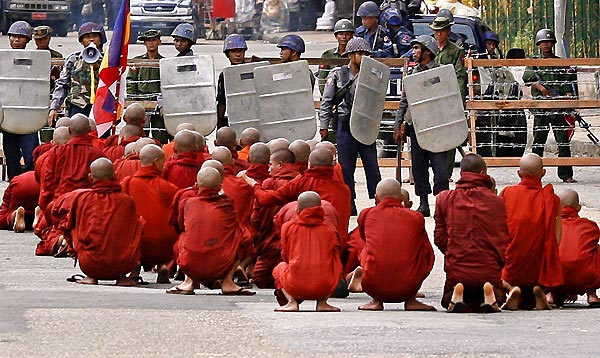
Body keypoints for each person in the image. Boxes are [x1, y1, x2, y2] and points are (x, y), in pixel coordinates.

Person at [434, 154, 509, 313]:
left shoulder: (444, 198)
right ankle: (489, 292)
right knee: (501, 297)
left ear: (461, 173)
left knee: (446, 300)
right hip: (488, 269)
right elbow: (502, 239)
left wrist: (453, 252)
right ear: (483, 173)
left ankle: (457, 292)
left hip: (458, 268)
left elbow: (439, 238)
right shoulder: (497, 202)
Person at [346, 179, 435, 311]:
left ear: (376, 197)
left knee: (369, 249)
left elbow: (365, 238)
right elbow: (428, 254)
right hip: (409, 286)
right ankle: (411, 300)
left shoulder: (366, 214)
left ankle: (376, 300)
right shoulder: (416, 217)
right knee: (423, 250)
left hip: (374, 286)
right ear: (402, 198)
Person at [168, 167, 255, 295]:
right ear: (220, 187)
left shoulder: (187, 203)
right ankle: (228, 282)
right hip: (222, 262)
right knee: (243, 235)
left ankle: (189, 282)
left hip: (190, 262)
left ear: (197, 185)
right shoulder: (227, 204)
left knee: (184, 238)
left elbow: (180, 226)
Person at [320, 37, 381, 215]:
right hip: (345, 125)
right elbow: (327, 102)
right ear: (351, 55)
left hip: (366, 126)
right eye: (360, 53)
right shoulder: (338, 75)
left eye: (366, 54)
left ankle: (379, 200)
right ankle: (350, 201)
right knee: (346, 169)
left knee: (372, 167)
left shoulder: (372, 75)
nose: (363, 57)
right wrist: (324, 125)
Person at [242, 148, 351, 249]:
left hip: (308, 243)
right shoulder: (344, 189)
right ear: (333, 165)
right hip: (338, 246)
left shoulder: (302, 181)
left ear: (309, 164)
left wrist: (254, 184)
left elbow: (265, 200)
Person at [61, 158, 143, 286]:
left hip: (90, 264)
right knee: (137, 226)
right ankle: (122, 277)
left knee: (75, 226)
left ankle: (91, 277)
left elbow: (68, 226)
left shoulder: (82, 199)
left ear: (90, 177)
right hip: (124, 264)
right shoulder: (127, 201)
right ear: (115, 175)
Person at [500, 153, 563, 310]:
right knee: (546, 264)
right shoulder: (552, 199)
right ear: (543, 173)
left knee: (493, 275)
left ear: (519, 173)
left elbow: (498, 230)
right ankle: (541, 290)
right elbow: (557, 236)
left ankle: (510, 288)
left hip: (510, 269)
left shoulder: (507, 193)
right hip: (539, 271)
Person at [394, 35, 447, 217]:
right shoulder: (411, 74)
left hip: (437, 127)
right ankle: (423, 202)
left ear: (427, 52)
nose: (414, 52)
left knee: (440, 170)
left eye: (417, 48)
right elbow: (404, 101)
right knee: (419, 166)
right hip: (416, 127)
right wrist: (398, 124)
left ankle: (441, 203)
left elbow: (447, 98)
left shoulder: (440, 73)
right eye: (414, 48)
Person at [523, 29, 577, 183]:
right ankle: (533, 174)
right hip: (541, 109)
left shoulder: (559, 62)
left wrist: (568, 99)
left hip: (558, 108)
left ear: (553, 43)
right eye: (542, 43)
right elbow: (527, 78)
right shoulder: (534, 62)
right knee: (538, 142)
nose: (546, 45)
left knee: (563, 142)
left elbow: (566, 85)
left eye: (548, 42)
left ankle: (566, 175)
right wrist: (541, 88)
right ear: (538, 45)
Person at [273, 191, 342, 312]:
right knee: (334, 264)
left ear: (297, 210)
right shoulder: (330, 229)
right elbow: (336, 254)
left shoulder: (288, 227)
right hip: (324, 286)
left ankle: (292, 302)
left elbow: (285, 255)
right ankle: (322, 303)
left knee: (279, 267)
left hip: (295, 284)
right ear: (321, 210)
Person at [121, 144, 179, 284]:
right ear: (156, 161)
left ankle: (135, 267)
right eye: (163, 162)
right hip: (165, 246)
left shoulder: (127, 184)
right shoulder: (169, 188)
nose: (164, 165)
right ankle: (162, 266)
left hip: (138, 243)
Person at [251, 148, 299, 288]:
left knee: (260, 279)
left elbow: (257, 217)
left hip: (269, 244)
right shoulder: (300, 182)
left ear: (280, 164)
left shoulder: (268, 184)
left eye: (270, 164)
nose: (268, 168)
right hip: (292, 244)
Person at [38, 114, 105, 211]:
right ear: (89, 130)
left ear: (69, 130)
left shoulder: (57, 152)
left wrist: (44, 204)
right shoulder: (97, 153)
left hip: (60, 204)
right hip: (86, 206)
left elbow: (49, 181)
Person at [429, 13, 467, 181]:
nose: (438, 34)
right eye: (436, 31)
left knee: (450, 136)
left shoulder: (456, 51)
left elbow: (460, 76)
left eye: (442, 31)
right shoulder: (429, 48)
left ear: (448, 31)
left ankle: (446, 173)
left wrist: (456, 99)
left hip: (448, 96)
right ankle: (436, 171)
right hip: (431, 98)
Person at [48, 22, 106, 123]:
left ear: (100, 39)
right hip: (78, 106)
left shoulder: (108, 60)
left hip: (101, 106)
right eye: (87, 37)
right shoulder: (73, 60)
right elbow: (62, 84)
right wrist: (54, 107)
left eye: (95, 36)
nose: (91, 39)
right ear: (81, 41)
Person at [4, 21, 40, 181]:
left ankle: (30, 185)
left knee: (31, 155)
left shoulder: (35, 60)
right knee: (11, 156)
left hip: (29, 116)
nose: (16, 40)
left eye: (21, 37)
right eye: (13, 36)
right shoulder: (3, 60)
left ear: (27, 40)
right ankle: (14, 186)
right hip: (9, 117)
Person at [553, 189, 600, 307]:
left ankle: (549, 293)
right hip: (586, 278)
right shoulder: (589, 226)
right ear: (578, 208)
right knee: (595, 250)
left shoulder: (550, 226)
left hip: (554, 279)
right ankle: (592, 293)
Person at [217, 34, 248, 128]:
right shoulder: (225, 75)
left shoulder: (252, 70)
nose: (237, 55)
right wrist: (218, 124)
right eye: (233, 51)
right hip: (234, 117)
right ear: (227, 54)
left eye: (240, 51)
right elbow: (222, 102)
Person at [318, 19, 355, 95]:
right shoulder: (327, 55)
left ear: (352, 36)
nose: (344, 37)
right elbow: (322, 78)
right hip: (331, 92)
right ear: (336, 36)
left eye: (347, 34)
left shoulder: (355, 55)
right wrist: (326, 97)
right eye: (341, 34)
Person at [32, 25, 63, 94]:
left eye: (45, 38)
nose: (42, 41)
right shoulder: (31, 56)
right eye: (39, 39)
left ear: (49, 38)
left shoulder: (57, 56)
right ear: (35, 40)